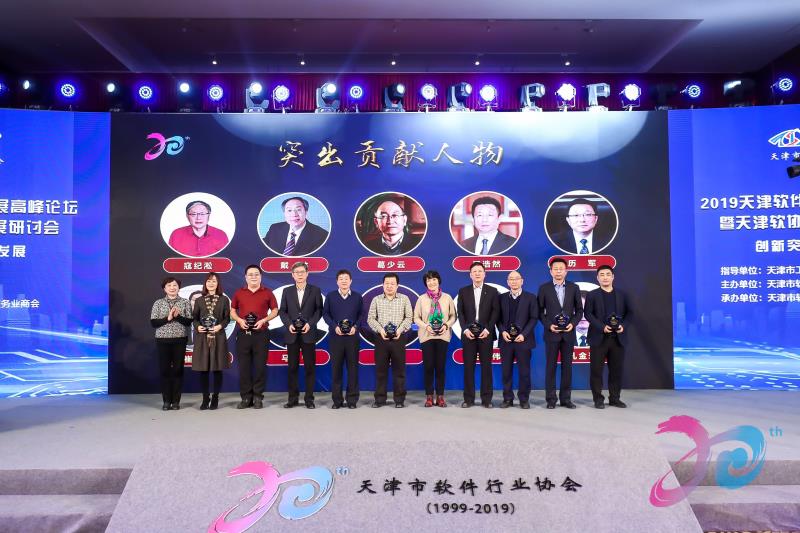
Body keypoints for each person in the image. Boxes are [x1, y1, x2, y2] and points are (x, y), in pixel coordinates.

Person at [584, 265, 633, 409]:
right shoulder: (592, 295)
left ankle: (615, 398)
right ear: (597, 278)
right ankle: (598, 399)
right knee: (596, 371)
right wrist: (602, 327)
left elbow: (630, 313)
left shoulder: (622, 295)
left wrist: (623, 326)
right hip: (598, 338)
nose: (605, 277)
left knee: (616, 371)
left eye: (607, 274)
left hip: (618, 338)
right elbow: (588, 314)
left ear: (613, 277)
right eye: (602, 275)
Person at [230, 265, 278, 409]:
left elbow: (275, 310)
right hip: (244, 335)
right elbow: (232, 311)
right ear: (246, 277)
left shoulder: (267, 292)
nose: (253, 277)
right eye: (250, 274)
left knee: (260, 367)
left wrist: (264, 320)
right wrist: (239, 320)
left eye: (256, 274)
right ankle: (246, 398)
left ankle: (258, 397)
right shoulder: (239, 292)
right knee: (244, 367)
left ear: (260, 276)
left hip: (261, 334)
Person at [538, 258, 583, 409]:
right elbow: (539, 312)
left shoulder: (574, 288)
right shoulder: (544, 288)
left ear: (566, 271)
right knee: (550, 367)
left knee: (567, 367)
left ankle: (566, 399)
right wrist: (549, 325)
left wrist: (573, 324)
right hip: (551, 334)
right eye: (555, 269)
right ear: (551, 271)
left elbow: (579, 310)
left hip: (568, 334)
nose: (558, 271)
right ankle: (551, 400)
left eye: (561, 269)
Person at [279, 261, 323, 409]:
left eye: (302, 272)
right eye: (297, 272)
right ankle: (292, 399)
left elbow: (319, 310)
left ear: (307, 274)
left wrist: (310, 324)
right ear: (292, 275)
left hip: (308, 334)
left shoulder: (315, 290)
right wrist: (288, 324)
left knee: (310, 368)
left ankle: (309, 399)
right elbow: (282, 311)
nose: (300, 275)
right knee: (292, 368)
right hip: (292, 335)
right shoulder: (287, 291)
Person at [457, 261, 499, 408]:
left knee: (486, 367)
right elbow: (460, 312)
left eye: (480, 271)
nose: (477, 274)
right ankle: (468, 399)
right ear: (470, 275)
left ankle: (487, 399)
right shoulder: (463, 291)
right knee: (468, 368)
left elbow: (495, 312)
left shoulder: (492, 291)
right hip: (468, 335)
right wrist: (465, 329)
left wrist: (488, 329)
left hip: (485, 335)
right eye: (474, 271)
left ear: (484, 274)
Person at [366, 273, 413, 408]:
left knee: (399, 371)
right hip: (381, 339)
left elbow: (409, 318)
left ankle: (399, 400)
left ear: (397, 285)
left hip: (399, 338)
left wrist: (400, 330)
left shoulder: (404, 299)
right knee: (380, 371)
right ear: (383, 285)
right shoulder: (376, 299)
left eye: (392, 283)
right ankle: (380, 399)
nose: (389, 286)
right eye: (387, 283)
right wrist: (380, 330)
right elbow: (370, 318)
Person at [413, 270, 457, 408]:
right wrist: (426, 326)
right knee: (428, 367)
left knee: (440, 367)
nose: (431, 282)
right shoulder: (421, 299)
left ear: (438, 281)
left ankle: (440, 396)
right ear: (425, 283)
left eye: (434, 280)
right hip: (426, 336)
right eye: (428, 280)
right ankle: (429, 396)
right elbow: (416, 318)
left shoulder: (447, 298)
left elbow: (453, 316)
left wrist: (446, 325)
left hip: (443, 336)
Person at [322, 269, 363, 409]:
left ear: (351, 281)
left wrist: (355, 327)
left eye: (346, 278)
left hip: (352, 338)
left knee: (353, 370)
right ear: (337, 281)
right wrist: (334, 326)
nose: (344, 281)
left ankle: (352, 400)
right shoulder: (331, 296)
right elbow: (325, 314)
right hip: (336, 338)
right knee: (336, 370)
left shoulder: (357, 297)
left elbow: (361, 315)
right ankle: (337, 401)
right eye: (341, 278)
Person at [150, 277, 193, 410]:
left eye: (175, 285)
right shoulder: (158, 303)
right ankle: (166, 401)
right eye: (169, 285)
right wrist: (168, 318)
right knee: (165, 370)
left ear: (179, 287)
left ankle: (176, 401)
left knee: (178, 370)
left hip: (179, 340)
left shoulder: (185, 302)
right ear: (164, 288)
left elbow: (189, 322)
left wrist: (177, 316)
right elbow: (153, 323)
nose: (172, 288)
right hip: (162, 340)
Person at [498, 270, 538, 409]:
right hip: (506, 340)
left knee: (524, 372)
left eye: (516, 278)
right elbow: (497, 318)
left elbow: (534, 318)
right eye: (511, 279)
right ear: (507, 282)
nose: (514, 281)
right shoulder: (501, 298)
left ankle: (524, 399)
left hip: (524, 341)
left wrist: (524, 334)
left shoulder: (531, 297)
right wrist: (502, 331)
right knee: (506, 372)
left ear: (522, 281)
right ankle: (507, 398)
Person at [191, 273, 230, 410]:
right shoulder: (199, 300)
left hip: (218, 336)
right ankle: (205, 397)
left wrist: (220, 326)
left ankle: (215, 397)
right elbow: (194, 318)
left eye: (214, 281)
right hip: (202, 337)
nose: (211, 283)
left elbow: (227, 318)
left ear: (218, 283)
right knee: (204, 369)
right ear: (205, 283)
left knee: (217, 368)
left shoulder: (224, 299)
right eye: (209, 281)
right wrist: (198, 326)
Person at [263, 196, 329, 256]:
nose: (294, 214)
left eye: (298, 209)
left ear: (306, 212)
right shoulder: (274, 228)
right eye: (289, 210)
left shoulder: (321, 235)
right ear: (284, 213)